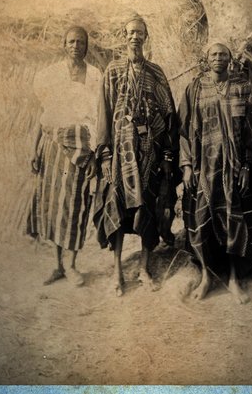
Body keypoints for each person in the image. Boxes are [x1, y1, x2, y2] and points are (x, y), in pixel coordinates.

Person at [178, 40, 252, 302]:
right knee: (201, 224)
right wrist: (187, 166)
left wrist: (246, 167)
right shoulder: (195, 88)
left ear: (230, 59)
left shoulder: (243, 88)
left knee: (236, 224)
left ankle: (234, 280)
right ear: (206, 59)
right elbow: (183, 132)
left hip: (233, 170)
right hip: (203, 169)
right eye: (214, 54)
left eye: (224, 54)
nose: (219, 58)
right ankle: (206, 277)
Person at [93, 16, 178, 296]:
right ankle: (117, 272)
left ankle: (144, 267)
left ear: (146, 36)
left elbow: (169, 117)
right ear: (123, 35)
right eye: (130, 33)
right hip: (119, 155)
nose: (134, 38)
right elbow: (103, 116)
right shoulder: (113, 71)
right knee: (116, 206)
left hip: (149, 155)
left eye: (140, 33)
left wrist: (167, 155)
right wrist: (105, 156)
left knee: (150, 209)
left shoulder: (156, 72)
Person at [27, 26, 101, 286]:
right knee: (53, 206)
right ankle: (57, 265)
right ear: (64, 44)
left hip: (81, 149)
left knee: (75, 205)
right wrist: (35, 149)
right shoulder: (51, 75)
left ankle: (71, 266)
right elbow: (45, 116)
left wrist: (93, 156)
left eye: (81, 41)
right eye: (71, 41)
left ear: (86, 46)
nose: (75, 46)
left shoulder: (94, 76)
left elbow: (97, 120)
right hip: (53, 148)